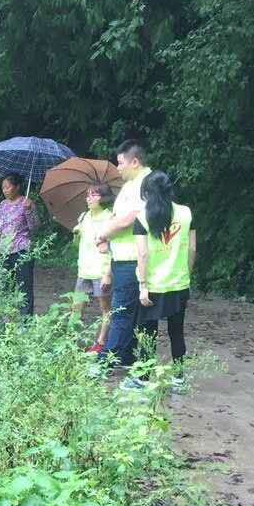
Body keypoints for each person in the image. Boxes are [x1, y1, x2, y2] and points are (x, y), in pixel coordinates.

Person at [124, 171, 195, 391]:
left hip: (153, 285)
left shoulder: (143, 217)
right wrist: (187, 275)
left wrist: (143, 286)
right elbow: (192, 248)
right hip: (179, 283)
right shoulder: (186, 213)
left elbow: (142, 255)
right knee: (177, 331)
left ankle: (143, 379)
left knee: (147, 332)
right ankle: (179, 379)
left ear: (146, 193)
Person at [95, 140, 152, 368]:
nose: (117, 168)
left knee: (120, 312)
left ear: (134, 161)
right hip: (123, 257)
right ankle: (127, 357)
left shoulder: (146, 183)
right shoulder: (131, 183)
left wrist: (104, 233)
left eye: (120, 163)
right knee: (131, 314)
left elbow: (131, 218)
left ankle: (105, 362)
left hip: (133, 258)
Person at [72, 184, 114, 353]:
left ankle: (100, 342)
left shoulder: (110, 218)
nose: (88, 198)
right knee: (76, 307)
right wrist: (76, 234)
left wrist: (107, 274)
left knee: (105, 308)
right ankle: (74, 341)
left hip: (101, 270)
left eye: (93, 195)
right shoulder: (84, 217)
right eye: (87, 195)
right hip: (84, 269)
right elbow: (77, 245)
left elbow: (113, 247)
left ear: (103, 197)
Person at [0, 173, 39, 315]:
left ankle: (26, 322)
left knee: (24, 287)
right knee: (5, 287)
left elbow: (35, 227)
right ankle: (6, 320)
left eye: (8, 187)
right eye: (3, 187)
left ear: (17, 187)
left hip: (22, 250)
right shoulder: (2, 205)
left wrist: (29, 210)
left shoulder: (27, 203)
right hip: (3, 251)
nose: (5, 190)